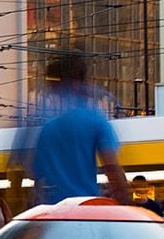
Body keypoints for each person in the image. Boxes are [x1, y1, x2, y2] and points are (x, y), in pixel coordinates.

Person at [24, 54, 130, 206]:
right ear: (78, 81)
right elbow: (112, 167)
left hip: (55, 212)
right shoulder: (95, 120)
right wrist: (127, 203)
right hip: (85, 208)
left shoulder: (48, 128)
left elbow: (36, 175)